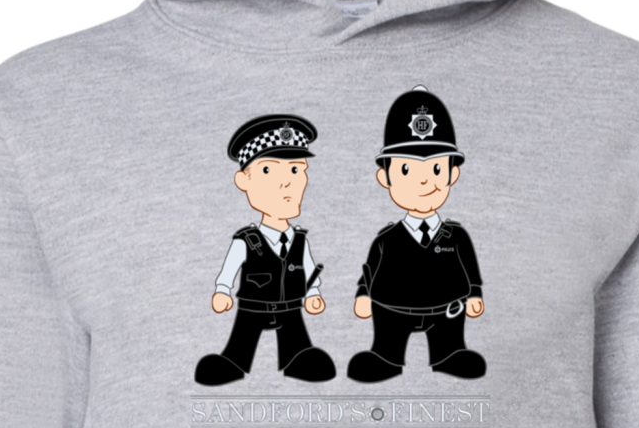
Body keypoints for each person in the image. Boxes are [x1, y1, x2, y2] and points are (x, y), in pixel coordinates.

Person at [348, 86, 486, 382]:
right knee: (387, 338)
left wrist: (474, 293)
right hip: (392, 308)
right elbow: (370, 269)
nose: (424, 180)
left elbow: (470, 268)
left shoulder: (456, 236)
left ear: (452, 174)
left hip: (446, 309)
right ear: (385, 177)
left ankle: (449, 352)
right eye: (407, 170)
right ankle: (386, 356)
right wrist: (363, 294)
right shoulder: (386, 239)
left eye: (436, 168)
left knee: (450, 341)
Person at [195, 114, 336, 386]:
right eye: (269, 170)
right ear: (243, 180)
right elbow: (230, 269)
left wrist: (313, 294)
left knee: (297, 340)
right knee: (241, 341)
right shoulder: (245, 240)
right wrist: (222, 291)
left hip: (290, 306)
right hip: (253, 305)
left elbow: (309, 270)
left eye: (295, 170)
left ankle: (297, 357)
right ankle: (233, 361)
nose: (286, 183)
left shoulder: (300, 240)